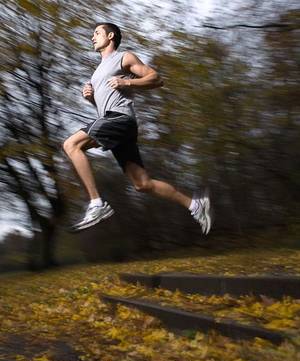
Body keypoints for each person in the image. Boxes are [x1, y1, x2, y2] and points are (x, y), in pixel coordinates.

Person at [63, 22, 212, 234]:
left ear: (111, 35)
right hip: (114, 122)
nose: (92, 37)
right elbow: (105, 107)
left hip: (120, 119)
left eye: (96, 33)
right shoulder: (97, 72)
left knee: (71, 144)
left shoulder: (124, 57)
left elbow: (156, 79)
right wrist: (91, 99)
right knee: (142, 184)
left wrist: (128, 83)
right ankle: (195, 205)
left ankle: (96, 204)